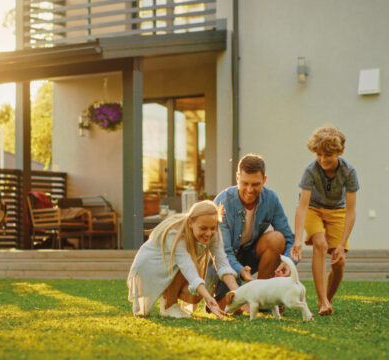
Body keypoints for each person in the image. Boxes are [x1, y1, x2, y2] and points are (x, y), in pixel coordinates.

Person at [210, 153, 295, 309]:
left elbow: (289, 238)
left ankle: (264, 297)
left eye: (255, 184)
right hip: (224, 262)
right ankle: (221, 296)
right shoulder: (223, 202)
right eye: (245, 183)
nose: (250, 190)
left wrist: (289, 263)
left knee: (277, 238)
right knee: (233, 308)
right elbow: (224, 252)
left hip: (250, 255)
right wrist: (241, 272)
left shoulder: (271, 199)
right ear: (237, 178)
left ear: (264, 180)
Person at [127, 201, 239, 319]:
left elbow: (223, 264)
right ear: (190, 222)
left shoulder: (213, 233)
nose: (209, 233)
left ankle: (169, 302)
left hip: (172, 266)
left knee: (195, 295)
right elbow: (186, 266)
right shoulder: (175, 232)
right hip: (150, 266)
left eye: (213, 228)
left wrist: (241, 295)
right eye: (203, 228)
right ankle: (169, 306)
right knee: (190, 272)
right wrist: (208, 297)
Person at [291, 126, 358, 316]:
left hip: (338, 211)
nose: (322, 159)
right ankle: (321, 301)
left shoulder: (349, 172)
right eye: (318, 154)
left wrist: (343, 242)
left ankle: (328, 299)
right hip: (313, 209)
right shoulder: (311, 171)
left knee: (339, 262)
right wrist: (297, 239)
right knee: (319, 243)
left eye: (327, 155)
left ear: (340, 152)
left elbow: (351, 211)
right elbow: (302, 206)